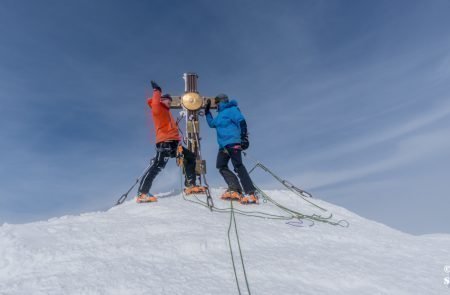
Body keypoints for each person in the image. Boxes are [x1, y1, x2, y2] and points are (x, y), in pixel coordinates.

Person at [136, 80, 205, 203]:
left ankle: (190, 184)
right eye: (169, 99)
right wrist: (157, 90)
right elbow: (156, 103)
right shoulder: (158, 108)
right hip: (165, 144)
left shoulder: (167, 112)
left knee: (190, 157)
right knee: (157, 166)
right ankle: (142, 193)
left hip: (173, 145)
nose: (171, 102)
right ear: (162, 99)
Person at [205, 93, 258, 204]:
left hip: (233, 142)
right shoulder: (219, 116)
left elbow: (241, 121)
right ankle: (235, 188)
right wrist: (207, 111)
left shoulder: (232, 109)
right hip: (223, 146)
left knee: (238, 166)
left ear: (221, 102)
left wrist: (244, 137)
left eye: (217, 103)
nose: (216, 105)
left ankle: (250, 192)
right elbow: (211, 124)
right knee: (221, 165)